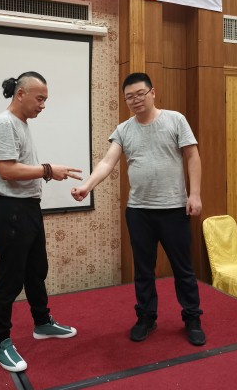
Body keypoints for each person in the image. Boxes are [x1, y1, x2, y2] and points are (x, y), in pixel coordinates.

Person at [72, 72, 206, 346]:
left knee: (183, 268)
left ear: (152, 93)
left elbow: (192, 155)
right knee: (144, 270)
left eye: (140, 94)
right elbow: (107, 162)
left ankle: (192, 318)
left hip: (173, 209)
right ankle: (146, 317)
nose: (135, 100)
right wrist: (87, 186)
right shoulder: (123, 129)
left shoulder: (175, 120)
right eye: (129, 97)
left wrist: (194, 195)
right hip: (139, 212)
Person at [0, 71, 82, 372]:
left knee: (36, 270)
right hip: (11, 211)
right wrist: (48, 169)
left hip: (28, 209)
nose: (43, 105)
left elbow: (20, 168)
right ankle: (0, 342)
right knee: (11, 278)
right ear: (21, 94)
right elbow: (6, 170)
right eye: (39, 98)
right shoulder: (4, 124)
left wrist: (46, 171)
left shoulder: (21, 124)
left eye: (45, 100)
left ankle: (42, 322)